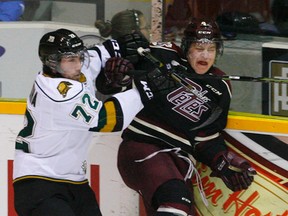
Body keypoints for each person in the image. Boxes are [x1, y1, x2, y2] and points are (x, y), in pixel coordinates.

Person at [98, 16, 257, 215]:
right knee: (175, 199)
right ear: (187, 48)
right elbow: (112, 82)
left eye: (211, 49)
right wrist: (114, 75)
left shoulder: (220, 86)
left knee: (181, 210)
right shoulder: (161, 54)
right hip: (142, 148)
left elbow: (206, 139)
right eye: (199, 48)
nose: (205, 55)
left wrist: (225, 165)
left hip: (177, 163)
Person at [12, 28, 144, 216]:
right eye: (71, 60)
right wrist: (145, 89)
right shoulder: (56, 92)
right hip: (38, 183)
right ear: (52, 62)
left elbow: (100, 53)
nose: (79, 65)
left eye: (80, 57)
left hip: (75, 182)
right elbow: (107, 120)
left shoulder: (71, 70)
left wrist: (126, 43)